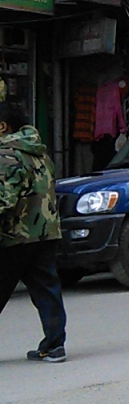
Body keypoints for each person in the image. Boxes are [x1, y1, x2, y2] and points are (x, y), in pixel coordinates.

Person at [0, 103, 68, 363]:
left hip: (14, 236)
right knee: (47, 290)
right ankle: (54, 346)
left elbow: (3, 200)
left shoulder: (6, 155)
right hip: (45, 232)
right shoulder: (40, 153)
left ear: (3, 126)